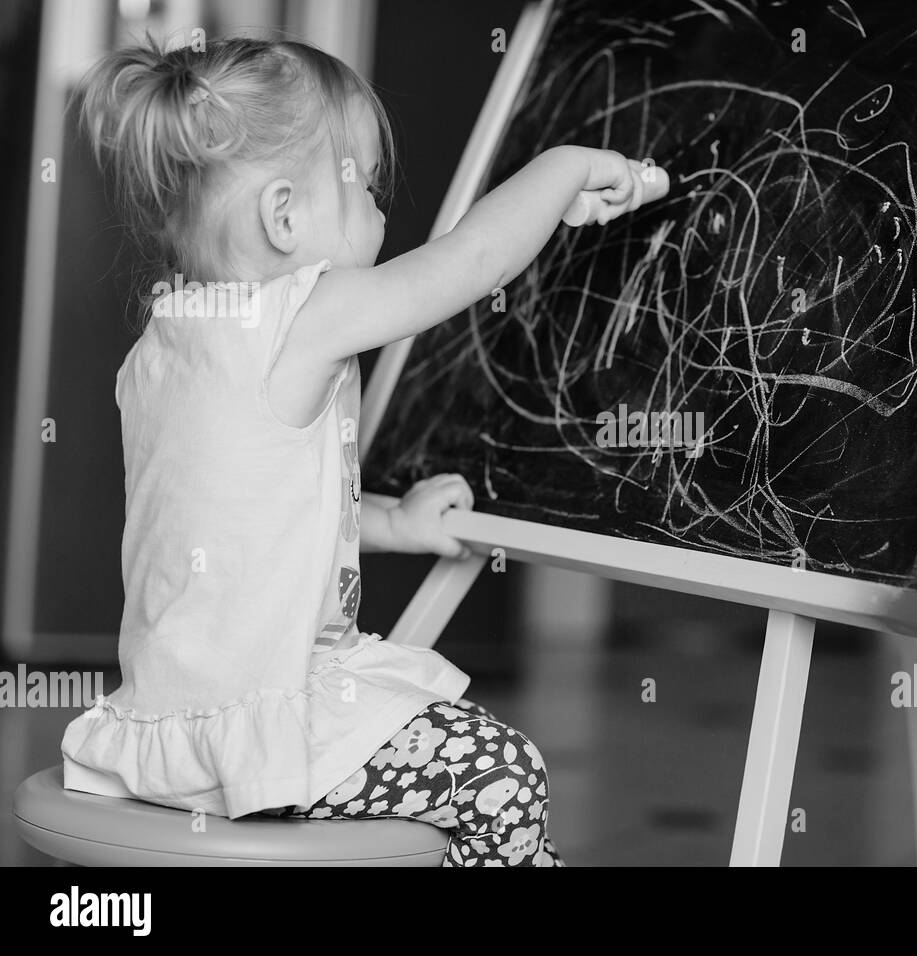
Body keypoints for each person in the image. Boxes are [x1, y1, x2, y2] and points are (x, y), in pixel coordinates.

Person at [60, 34, 669, 867]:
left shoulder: (163, 349)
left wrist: (394, 521)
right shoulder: (301, 317)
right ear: (285, 218)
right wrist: (561, 168)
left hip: (167, 726)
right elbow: (468, 265)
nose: (386, 211)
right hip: (263, 722)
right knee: (505, 772)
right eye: (368, 187)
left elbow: (260, 513)